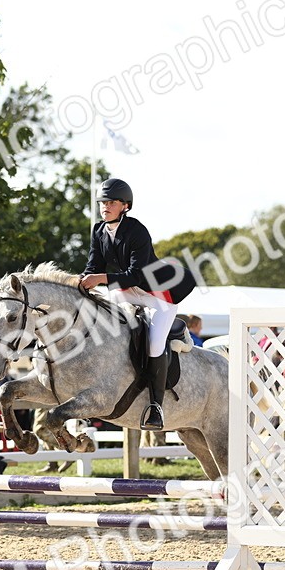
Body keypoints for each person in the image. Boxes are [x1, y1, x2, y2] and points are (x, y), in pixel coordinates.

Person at [79, 177, 195, 430]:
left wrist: (100, 278)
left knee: (154, 345)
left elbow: (137, 274)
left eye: (111, 202)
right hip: (128, 291)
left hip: (158, 296)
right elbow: (92, 268)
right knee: (100, 318)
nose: (105, 206)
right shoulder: (99, 231)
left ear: (125, 206)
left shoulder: (136, 230)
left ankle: (156, 406)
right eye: (102, 202)